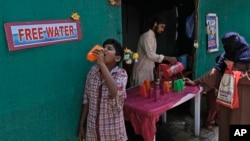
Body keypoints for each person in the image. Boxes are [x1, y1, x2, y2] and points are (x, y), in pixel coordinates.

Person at [184, 32, 250, 141]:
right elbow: (215, 73)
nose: (226, 48)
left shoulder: (248, 55)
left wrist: (234, 73)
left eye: (228, 45)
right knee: (225, 127)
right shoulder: (226, 55)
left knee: (240, 126)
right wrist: (196, 82)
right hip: (227, 100)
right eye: (224, 46)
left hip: (243, 100)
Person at [78, 39, 128, 141]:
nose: (104, 50)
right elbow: (86, 100)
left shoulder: (121, 74)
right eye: (103, 47)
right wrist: (81, 126)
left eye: (109, 49)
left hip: (113, 133)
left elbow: (115, 92)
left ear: (117, 58)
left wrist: (102, 64)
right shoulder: (92, 72)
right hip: (93, 133)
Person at [130, 16, 177, 87]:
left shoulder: (153, 36)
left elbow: (152, 57)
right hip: (141, 72)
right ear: (155, 24)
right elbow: (150, 55)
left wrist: (154, 69)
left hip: (148, 72)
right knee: (140, 94)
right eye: (161, 27)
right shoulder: (146, 36)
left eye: (164, 28)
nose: (162, 30)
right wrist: (168, 58)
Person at [204, 55, 220, 131]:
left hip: (220, 92)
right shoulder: (214, 71)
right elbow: (208, 82)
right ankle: (208, 123)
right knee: (213, 109)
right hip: (212, 92)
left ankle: (217, 121)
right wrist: (214, 89)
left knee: (219, 108)